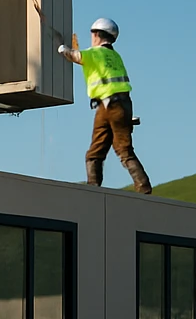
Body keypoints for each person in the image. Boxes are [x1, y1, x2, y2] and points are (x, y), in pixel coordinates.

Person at [58, 16, 153, 194]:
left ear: (97, 35)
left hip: (108, 106)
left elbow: (75, 56)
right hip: (124, 105)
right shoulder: (115, 56)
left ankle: (93, 190)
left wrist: (62, 49)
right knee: (124, 150)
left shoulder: (95, 53)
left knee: (95, 152)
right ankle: (144, 187)